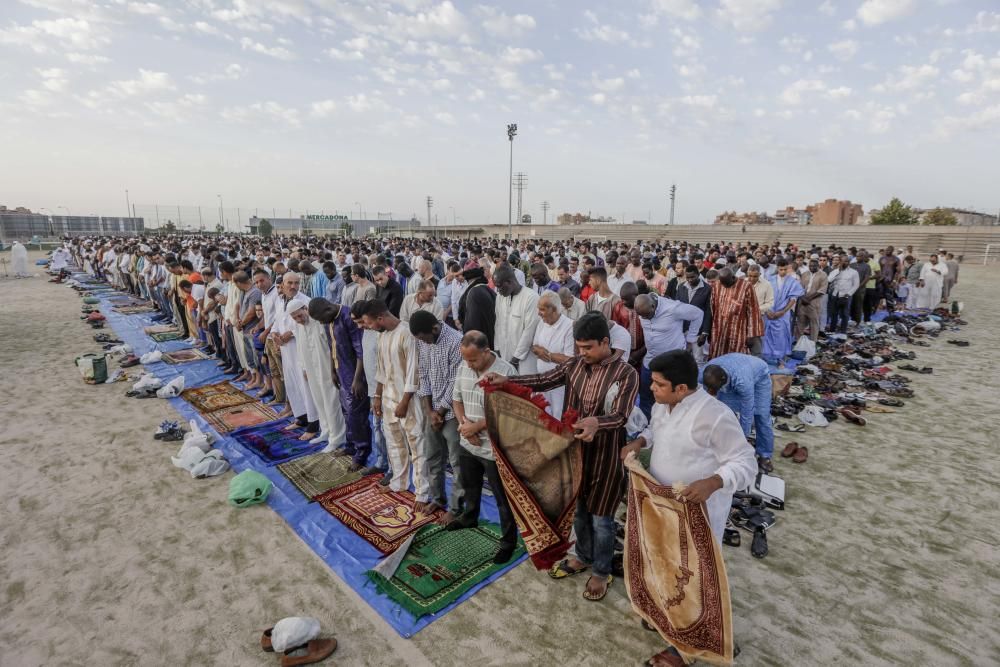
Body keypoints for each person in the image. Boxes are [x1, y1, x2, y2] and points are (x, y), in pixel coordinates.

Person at [486, 312, 638, 602]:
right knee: (578, 511)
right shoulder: (575, 365)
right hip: (574, 454)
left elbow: (620, 415)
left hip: (606, 458)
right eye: (579, 348)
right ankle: (582, 555)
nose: (583, 354)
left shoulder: (625, 373)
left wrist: (596, 422)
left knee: (602, 520)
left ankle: (602, 571)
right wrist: (507, 381)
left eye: (588, 348)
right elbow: (544, 380)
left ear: (605, 342)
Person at [622, 349, 756, 667]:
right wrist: (640, 442)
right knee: (663, 565)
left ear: (681, 388)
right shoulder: (661, 405)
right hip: (661, 506)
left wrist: (713, 481)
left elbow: (745, 462)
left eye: (658, 384)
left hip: (698, 513)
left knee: (694, 576)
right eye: (652, 383)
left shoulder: (715, 416)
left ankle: (689, 648)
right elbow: (657, 431)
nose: (651, 389)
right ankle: (668, 620)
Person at [449, 331, 520, 564]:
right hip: (469, 443)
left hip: (494, 448)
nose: (469, 364)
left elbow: (509, 413)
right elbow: (456, 399)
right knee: (470, 486)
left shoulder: (506, 372)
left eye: (473, 360)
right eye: (466, 359)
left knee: (502, 498)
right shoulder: (463, 367)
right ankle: (469, 517)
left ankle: (508, 542)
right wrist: (463, 425)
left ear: (486, 352)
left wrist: (477, 426)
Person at [364, 299, 432, 511]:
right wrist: (377, 396)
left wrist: (404, 402)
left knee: (416, 445)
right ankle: (399, 483)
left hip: (408, 402)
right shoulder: (382, 336)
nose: (367, 327)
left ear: (380, 318)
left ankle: (422, 492)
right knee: (394, 442)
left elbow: (414, 373)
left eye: (368, 322)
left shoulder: (407, 333)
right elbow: (382, 371)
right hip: (388, 399)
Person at [409, 310, 464, 518]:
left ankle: (456, 508)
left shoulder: (455, 341)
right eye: (420, 339)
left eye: (424, 338)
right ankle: (438, 499)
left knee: (457, 462)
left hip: (451, 413)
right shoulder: (423, 341)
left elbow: (454, 382)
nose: (424, 342)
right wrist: (429, 411)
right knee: (432, 457)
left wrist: (439, 411)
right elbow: (422, 374)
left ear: (434, 328)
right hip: (432, 411)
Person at [308, 298, 371, 470]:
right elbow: (332, 347)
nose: (321, 323)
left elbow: (361, 351)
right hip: (341, 371)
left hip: (355, 375)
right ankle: (351, 446)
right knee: (346, 411)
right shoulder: (329, 319)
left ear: (328, 309)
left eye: (321, 319)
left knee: (356, 415)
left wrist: (358, 379)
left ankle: (362, 453)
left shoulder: (348, 317)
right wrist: (332, 370)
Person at [634, 292, 704, 419]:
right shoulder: (643, 310)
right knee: (646, 397)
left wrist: (691, 337)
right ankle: (648, 429)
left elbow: (698, 313)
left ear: (653, 306)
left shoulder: (673, 309)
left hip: (671, 365)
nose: (645, 319)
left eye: (647, 315)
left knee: (672, 400)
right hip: (650, 361)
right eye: (642, 317)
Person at [701, 353, 775, 473]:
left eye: (713, 390)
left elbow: (747, 412)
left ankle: (764, 455)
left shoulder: (742, 382)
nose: (710, 393)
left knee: (761, 415)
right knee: (725, 413)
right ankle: (721, 448)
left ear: (723, 383)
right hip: (734, 372)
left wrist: (742, 442)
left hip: (759, 377)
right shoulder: (704, 372)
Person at [288, 299, 347, 447]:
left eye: (299, 315)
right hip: (311, 369)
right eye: (294, 318)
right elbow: (300, 349)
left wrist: (335, 368)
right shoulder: (299, 326)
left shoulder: (319, 321)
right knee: (319, 401)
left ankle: (337, 437)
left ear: (305, 308)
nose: (298, 320)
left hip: (326, 368)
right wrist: (303, 368)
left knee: (331, 401)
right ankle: (326, 431)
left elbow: (332, 346)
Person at [272, 273, 320, 438]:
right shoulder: (280, 301)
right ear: (283, 284)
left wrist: (291, 333)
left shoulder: (305, 301)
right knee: (292, 384)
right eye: (289, 283)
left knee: (305, 386)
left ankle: (313, 424)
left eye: (296, 283)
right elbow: (277, 321)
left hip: (301, 350)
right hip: (286, 350)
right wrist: (275, 335)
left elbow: (310, 326)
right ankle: (301, 417)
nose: (293, 286)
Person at [351, 300, 391, 484]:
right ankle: (382, 461)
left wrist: (379, 393)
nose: (360, 326)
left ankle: (393, 468)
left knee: (387, 430)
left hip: (384, 390)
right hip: (373, 389)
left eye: (362, 322)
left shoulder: (379, 333)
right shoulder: (366, 332)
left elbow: (384, 366)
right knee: (377, 428)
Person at [530, 291, 576, 419]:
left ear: (554, 309)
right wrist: (539, 351)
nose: (539, 313)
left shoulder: (569, 326)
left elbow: (570, 359)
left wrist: (549, 355)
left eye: (542, 310)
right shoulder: (542, 323)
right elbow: (535, 347)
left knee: (557, 418)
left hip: (559, 386)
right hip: (542, 382)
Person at [494, 264, 540, 374]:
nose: (498, 290)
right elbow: (498, 323)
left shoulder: (531, 298)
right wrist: (497, 348)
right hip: (505, 357)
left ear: (509, 282)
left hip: (524, 360)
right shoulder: (500, 297)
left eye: (500, 286)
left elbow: (530, 331)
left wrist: (516, 359)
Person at [709, 268, 762, 359]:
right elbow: (712, 308)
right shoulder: (716, 286)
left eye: (727, 283)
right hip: (719, 329)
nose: (724, 286)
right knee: (718, 356)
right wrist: (709, 330)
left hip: (738, 330)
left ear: (733, 277)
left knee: (738, 357)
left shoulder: (746, 286)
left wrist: (751, 334)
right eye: (723, 283)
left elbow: (753, 310)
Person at [763, 259, 804, 363]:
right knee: (767, 335)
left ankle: (780, 359)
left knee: (781, 336)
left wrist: (783, 311)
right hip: (769, 312)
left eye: (785, 269)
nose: (783, 272)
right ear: (777, 268)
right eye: (781, 269)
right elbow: (763, 296)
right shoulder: (769, 279)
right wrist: (767, 311)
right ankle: (767, 357)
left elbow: (793, 299)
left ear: (788, 268)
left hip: (783, 313)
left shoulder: (793, 282)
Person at [674, 265, 712, 361]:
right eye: (687, 277)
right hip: (683, 329)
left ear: (698, 274)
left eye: (692, 277)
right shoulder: (681, 287)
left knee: (698, 359)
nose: (690, 280)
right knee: (683, 359)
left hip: (698, 331)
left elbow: (708, 311)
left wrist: (705, 332)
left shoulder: (707, 289)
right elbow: (677, 307)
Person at [456, 267, 496, 348]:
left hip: (479, 342)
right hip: (492, 336)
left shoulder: (473, 293)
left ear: (470, 280)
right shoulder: (488, 290)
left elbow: (472, 321)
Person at [611, 282, 645, 369]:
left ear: (636, 296)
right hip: (624, 350)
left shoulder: (644, 307)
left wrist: (639, 353)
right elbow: (616, 331)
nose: (623, 302)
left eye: (626, 299)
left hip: (643, 350)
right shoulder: (618, 307)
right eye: (622, 299)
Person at [795, 258, 828, 342]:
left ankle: (812, 343)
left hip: (814, 303)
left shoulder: (823, 275)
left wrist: (808, 299)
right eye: (810, 266)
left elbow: (822, 290)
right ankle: (798, 342)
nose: (812, 267)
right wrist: (803, 298)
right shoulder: (805, 274)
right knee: (800, 323)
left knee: (814, 324)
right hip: (802, 302)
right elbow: (799, 288)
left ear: (818, 266)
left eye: (814, 266)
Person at [826, 254, 859, 334]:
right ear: (840, 262)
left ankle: (843, 331)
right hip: (835, 295)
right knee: (834, 314)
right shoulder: (835, 271)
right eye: (843, 261)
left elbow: (856, 285)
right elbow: (829, 280)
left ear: (849, 262)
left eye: (847, 261)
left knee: (845, 314)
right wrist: (838, 271)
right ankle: (832, 330)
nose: (845, 263)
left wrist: (848, 294)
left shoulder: (853, 272)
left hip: (846, 296)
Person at [745, 265, 772, 357]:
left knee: (756, 339)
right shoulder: (742, 282)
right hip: (743, 317)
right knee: (743, 339)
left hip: (758, 317)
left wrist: (756, 310)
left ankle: (757, 361)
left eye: (755, 276)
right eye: (750, 276)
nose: (752, 279)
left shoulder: (767, 284)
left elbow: (770, 303)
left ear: (760, 274)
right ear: (747, 274)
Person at [879, 246, 901, 312]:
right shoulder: (881, 258)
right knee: (879, 295)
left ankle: (890, 310)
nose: (887, 251)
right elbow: (878, 269)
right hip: (881, 280)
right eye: (887, 250)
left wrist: (894, 280)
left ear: (892, 251)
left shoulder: (896, 259)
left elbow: (898, 271)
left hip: (890, 280)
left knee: (889, 296)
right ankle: (876, 309)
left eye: (889, 250)